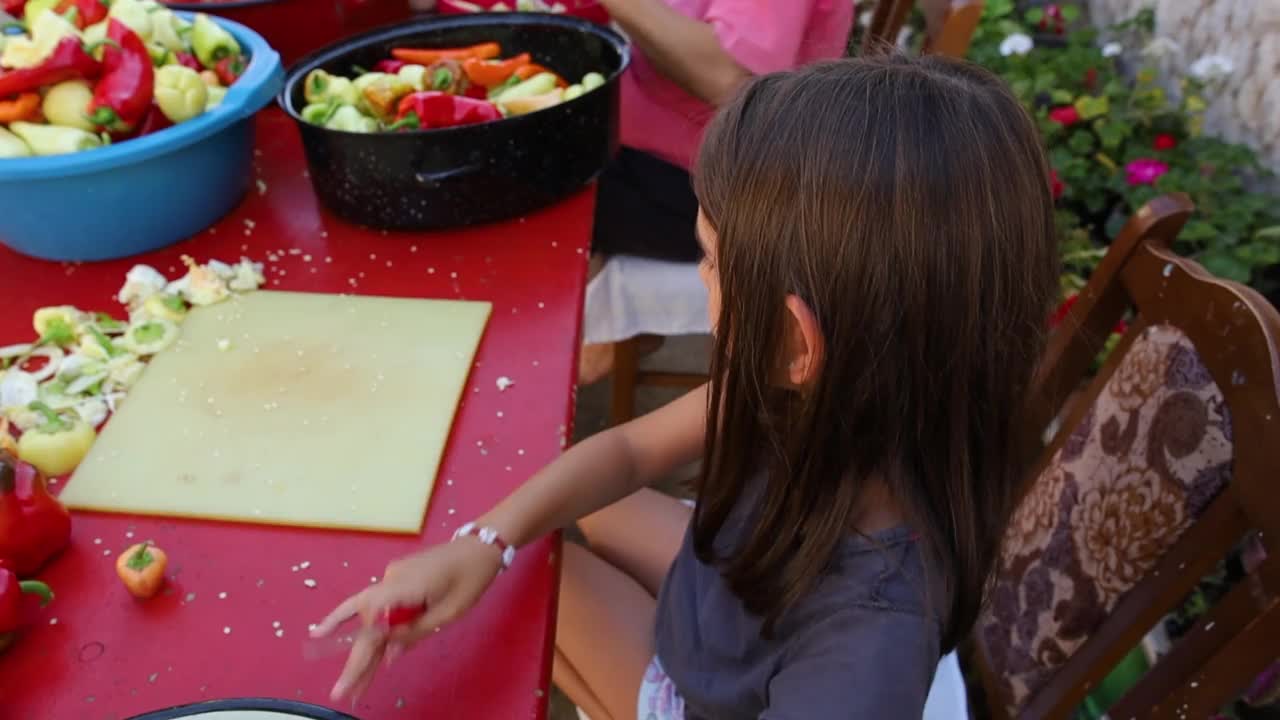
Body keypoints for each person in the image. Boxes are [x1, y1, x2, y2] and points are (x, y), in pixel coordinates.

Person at [310, 54, 1061, 718]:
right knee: (534, 532)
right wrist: (485, 541)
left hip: (716, 686)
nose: (703, 278)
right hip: (736, 601)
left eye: (708, 259)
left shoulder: (866, 652)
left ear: (798, 340)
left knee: (534, 587)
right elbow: (632, 452)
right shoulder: (855, 396)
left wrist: (501, 558)